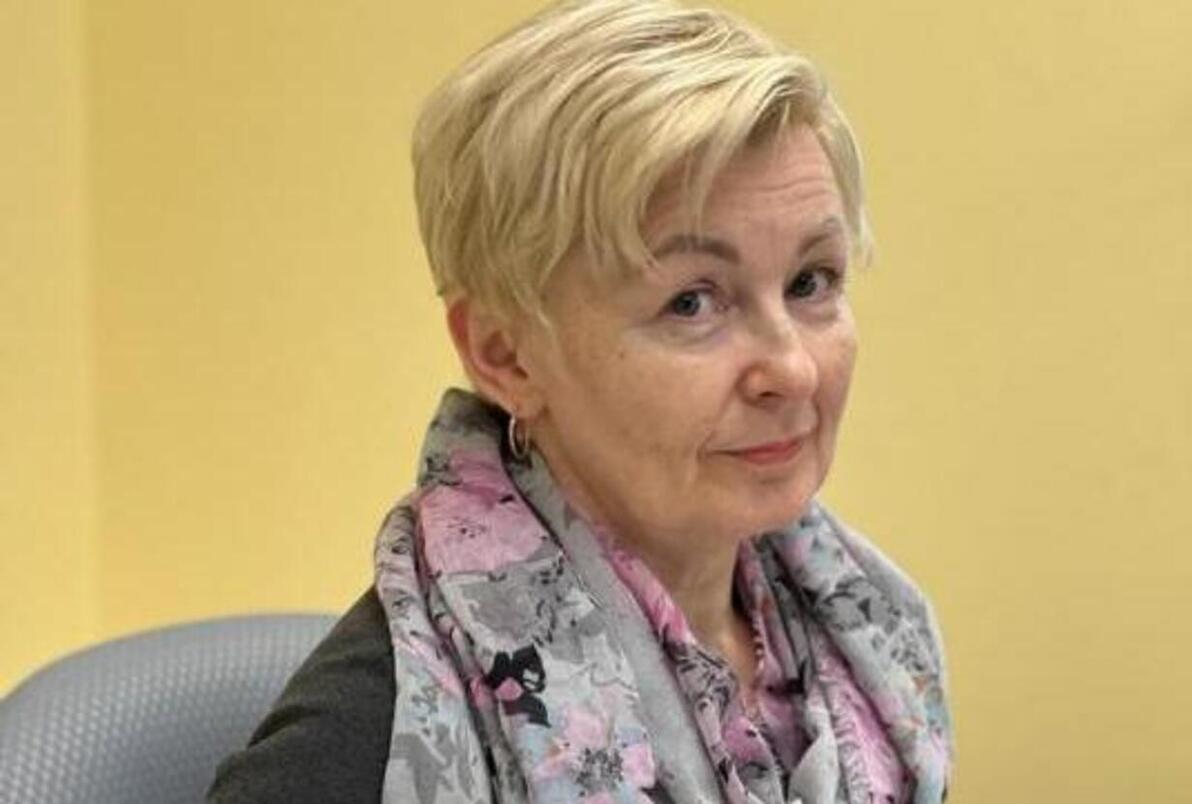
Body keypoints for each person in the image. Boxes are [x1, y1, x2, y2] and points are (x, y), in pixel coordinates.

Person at [208, 0, 953, 801]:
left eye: (810, 281)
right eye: (692, 302)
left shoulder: (866, 639)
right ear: (505, 355)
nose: (794, 370)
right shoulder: (372, 736)